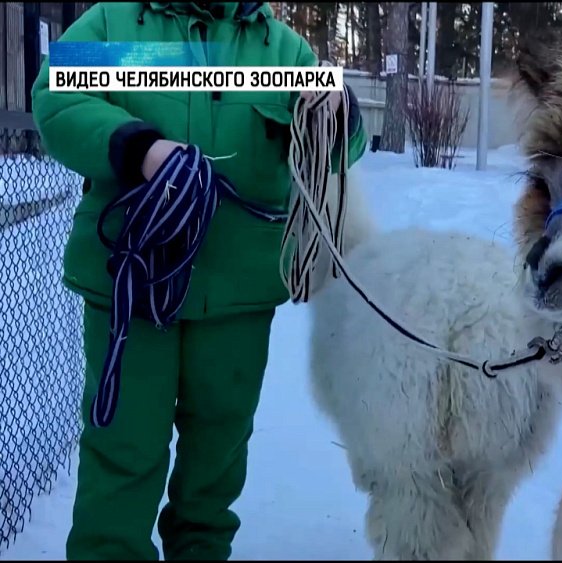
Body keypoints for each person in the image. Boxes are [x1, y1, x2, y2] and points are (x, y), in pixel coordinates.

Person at [30, 2, 367, 560]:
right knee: (123, 459)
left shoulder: (280, 50)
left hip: (236, 298)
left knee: (215, 468)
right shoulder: (119, 27)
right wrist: (140, 149)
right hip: (132, 287)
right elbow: (58, 97)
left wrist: (337, 111)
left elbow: (344, 149)